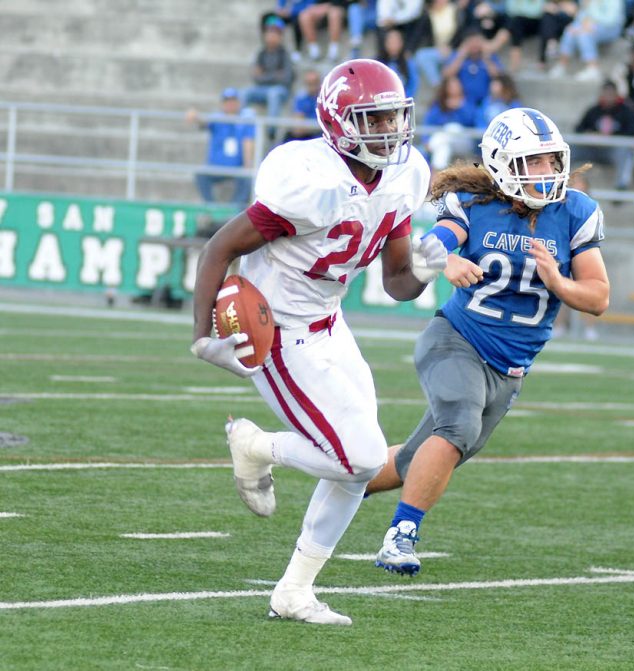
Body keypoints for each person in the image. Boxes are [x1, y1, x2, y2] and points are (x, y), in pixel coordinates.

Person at [190, 59, 445, 624]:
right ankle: (256, 446)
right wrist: (202, 335)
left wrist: (424, 275)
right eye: (372, 120)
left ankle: (293, 591)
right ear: (338, 121)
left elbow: (396, 282)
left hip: (330, 321)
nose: (387, 131)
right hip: (274, 328)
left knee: (360, 458)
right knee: (357, 456)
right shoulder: (310, 180)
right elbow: (218, 249)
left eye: (392, 118)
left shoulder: (403, 175)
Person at [366, 107, 610, 575]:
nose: (546, 173)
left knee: (418, 459)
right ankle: (400, 537)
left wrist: (559, 283)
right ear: (501, 163)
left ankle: (336, 481)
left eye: (550, 161)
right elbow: (430, 243)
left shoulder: (576, 211)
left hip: (510, 368)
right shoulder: (474, 204)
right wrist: (446, 262)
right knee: (455, 429)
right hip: (457, 339)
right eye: (532, 162)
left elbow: (598, 297)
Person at [551, 171, 603, 340]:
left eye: (581, 184)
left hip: (582, 253)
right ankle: (559, 325)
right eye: (575, 183)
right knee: (560, 289)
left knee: (588, 288)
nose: (578, 187)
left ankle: (589, 328)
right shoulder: (559, 207)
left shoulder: (588, 208)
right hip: (563, 253)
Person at [185, 88, 255, 209]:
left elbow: (248, 142)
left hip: (237, 168)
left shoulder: (245, 120)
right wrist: (196, 117)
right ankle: (212, 208)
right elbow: (204, 122)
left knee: (248, 178)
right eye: (227, 101)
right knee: (201, 175)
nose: (230, 104)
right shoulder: (217, 118)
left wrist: (247, 164)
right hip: (216, 167)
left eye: (233, 101)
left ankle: (234, 211)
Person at [572, 80, 634, 191]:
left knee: (625, 151)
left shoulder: (626, 111)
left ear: (616, 94)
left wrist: (612, 137)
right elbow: (578, 129)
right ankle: (562, 180)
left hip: (613, 151)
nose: (608, 97)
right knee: (572, 148)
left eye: (611, 94)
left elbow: (632, 130)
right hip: (592, 149)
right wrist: (589, 134)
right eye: (606, 93)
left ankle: (621, 186)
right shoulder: (594, 110)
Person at [241, 15, 294, 138]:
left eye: (275, 33)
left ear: (280, 36)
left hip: (281, 90)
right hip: (263, 89)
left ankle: (271, 130)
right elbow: (256, 77)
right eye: (269, 32)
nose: (271, 36)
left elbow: (286, 78)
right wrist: (275, 75)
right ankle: (239, 125)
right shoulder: (261, 53)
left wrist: (265, 75)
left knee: (274, 94)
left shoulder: (285, 54)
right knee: (245, 93)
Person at [547, 0, 625, 81]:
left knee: (584, 34)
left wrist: (590, 19)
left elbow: (610, 20)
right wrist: (579, 19)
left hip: (610, 28)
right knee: (570, 31)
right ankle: (562, 65)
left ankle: (593, 69)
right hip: (589, 24)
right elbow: (581, 18)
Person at [280, 68, 323, 142]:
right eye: (309, 83)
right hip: (307, 135)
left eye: (315, 83)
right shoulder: (301, 98)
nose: (313, 86)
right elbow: (298, 128)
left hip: (321, 135)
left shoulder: (325, 98)